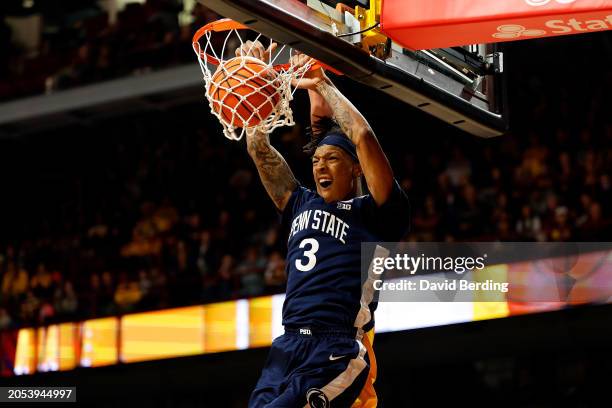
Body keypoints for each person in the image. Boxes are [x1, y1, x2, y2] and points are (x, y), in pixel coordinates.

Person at [240, 41, 410, 407]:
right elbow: (259, 150)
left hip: (337, 347)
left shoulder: (376, 215)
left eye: (331, 159)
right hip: (286, 346)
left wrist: (321, 84)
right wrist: (255, 91)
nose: (319, 166)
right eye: (316, 160)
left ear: (355, 169)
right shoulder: (300, 202)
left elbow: (361, 137)